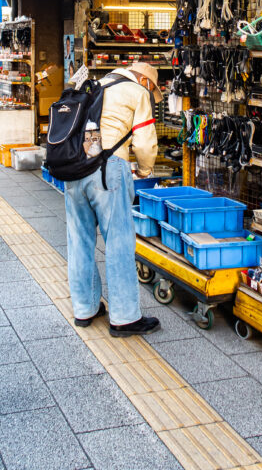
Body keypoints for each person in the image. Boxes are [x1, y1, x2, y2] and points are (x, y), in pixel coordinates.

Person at [64, 60, 161, 337]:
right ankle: (124, 317)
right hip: (109, 170)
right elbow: (144, 143)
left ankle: (85, 309)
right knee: (118, 242)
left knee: (79, 240)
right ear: (146, 82)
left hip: (75, 167)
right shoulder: (137, 93)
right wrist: (144, 170)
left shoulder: (95, 86)